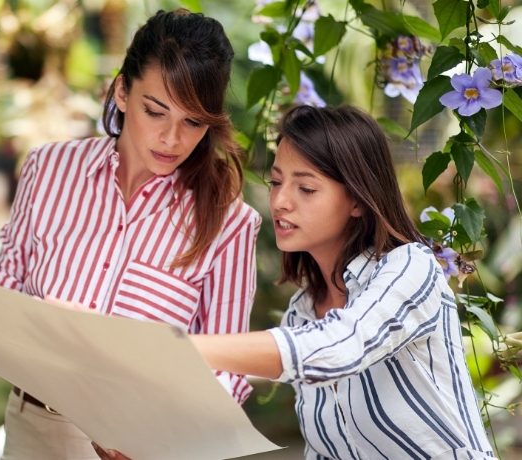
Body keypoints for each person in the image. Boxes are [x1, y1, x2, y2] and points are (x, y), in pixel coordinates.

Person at [90, 105, 496, 459]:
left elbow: (340, 347)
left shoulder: (411, 268)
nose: (281, 201)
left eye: (306, 188)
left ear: (357, 199)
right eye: (277, 182)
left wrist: (171, 347)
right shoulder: (301, 316)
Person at [0, 8, 260, 460]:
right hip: (37, 428)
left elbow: (228, 366)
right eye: (156, 111)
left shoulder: (229, 222)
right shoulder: (48, 170)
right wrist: (44, 315)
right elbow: (2, 287)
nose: (172, 138)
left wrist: (161, 434)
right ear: (122, 91)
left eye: (193, 122)